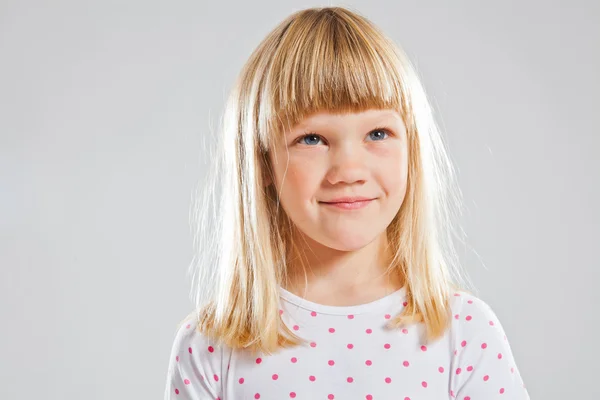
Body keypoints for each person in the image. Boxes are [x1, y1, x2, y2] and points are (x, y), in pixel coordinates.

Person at [164, 6, 530, 400]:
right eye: (312, 139)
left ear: (412, 149)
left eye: (377, 132)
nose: (349, 170)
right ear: (263, 161)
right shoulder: (209, 347)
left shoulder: (465, 334)